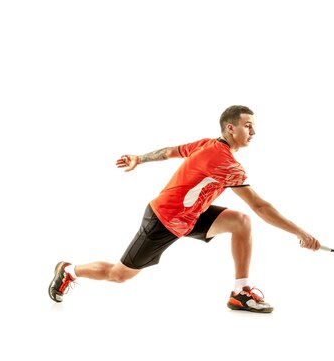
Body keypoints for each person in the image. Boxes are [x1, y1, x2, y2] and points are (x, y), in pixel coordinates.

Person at [48, 105, 320, 313]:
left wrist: (139, 158)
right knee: (118, 275)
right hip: (163, 221)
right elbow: (260, 205)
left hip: (191, 216)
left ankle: (241, 293)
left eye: (253, 126)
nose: (254, 132)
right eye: (248, 126)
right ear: (230, 128)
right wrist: (300, 232)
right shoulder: (227, 164)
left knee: (240, 222)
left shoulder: (207, 144)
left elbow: (170, 151)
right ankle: (69, 270)